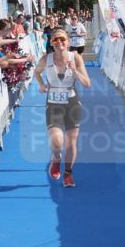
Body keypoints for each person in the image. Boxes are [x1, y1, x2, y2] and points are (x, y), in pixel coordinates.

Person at [34, 29, 91, 188]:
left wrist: (75, 71)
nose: (59, 42)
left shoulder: (76, 57)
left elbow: (87, 83)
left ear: (68, 42)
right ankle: (56, 159)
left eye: (63, 39)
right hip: (53, 104)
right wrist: (42, 85)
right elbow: (36, 72)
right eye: (55, 40)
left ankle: (68, 174)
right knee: (57, 141)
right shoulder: (46, 59)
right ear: (51, 43)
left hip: (72, 103)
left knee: (71, 143)